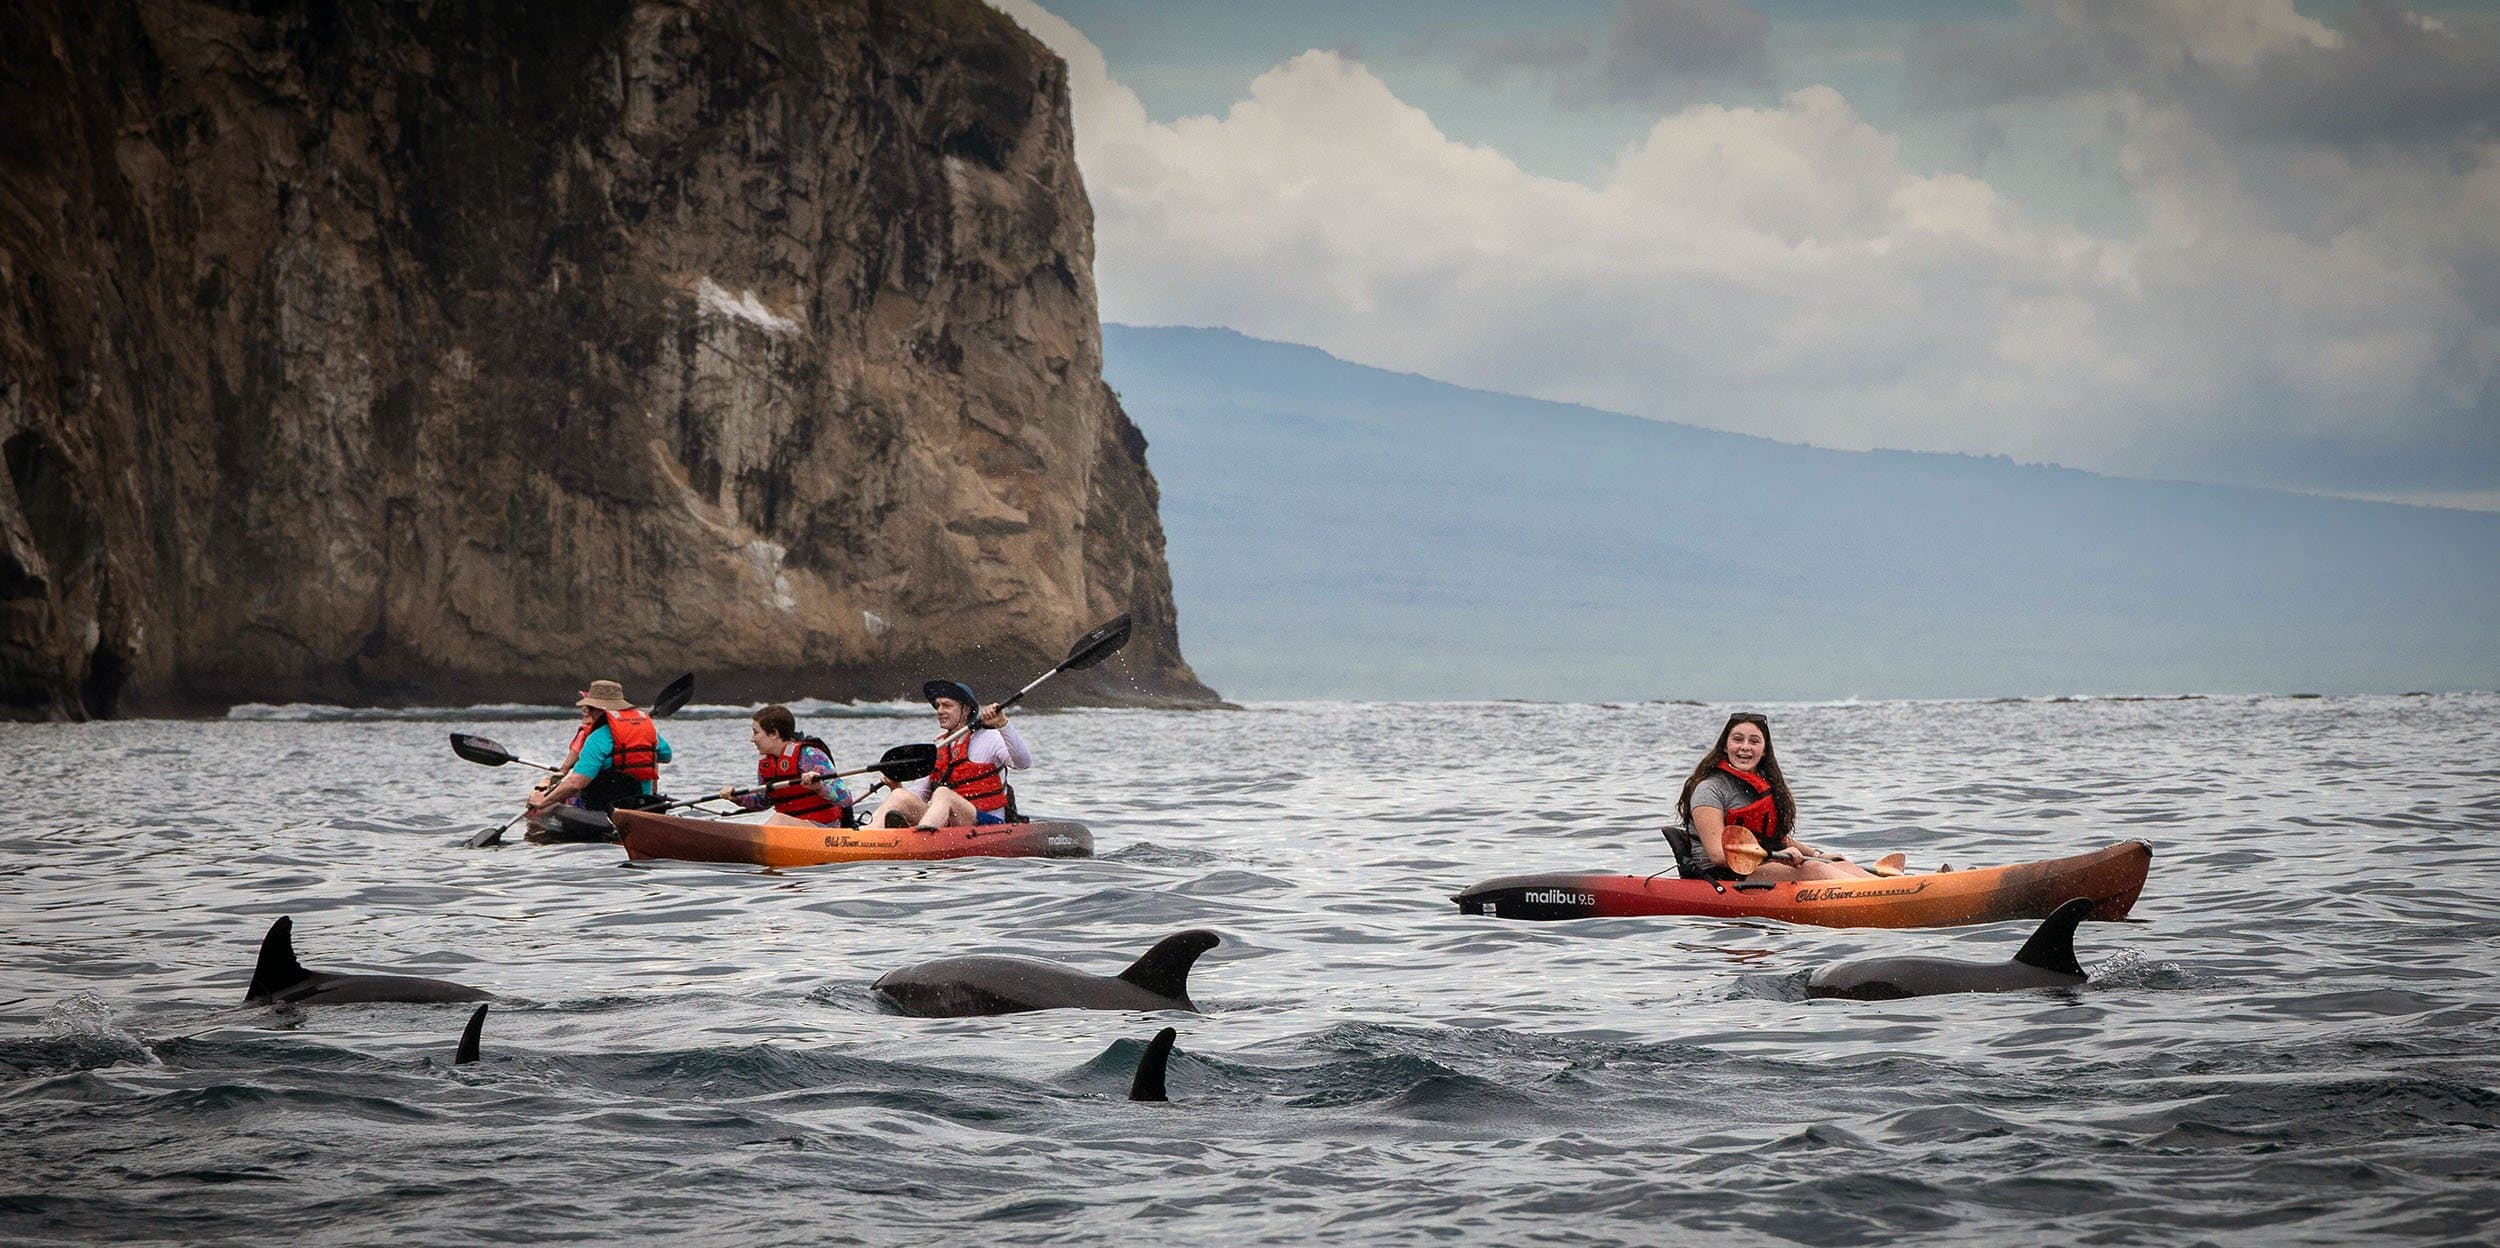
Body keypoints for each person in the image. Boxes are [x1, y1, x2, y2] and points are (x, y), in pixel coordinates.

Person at [1672, 712, 1880, 882]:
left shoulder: (1763, 787)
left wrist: (1818, 854)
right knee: (1814, 870)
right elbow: (1718, 855)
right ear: (1725, 747)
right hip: (1721, 876)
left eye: (1754, 741)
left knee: (1834, 864)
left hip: (1763, 864)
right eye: (1738, 739)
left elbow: (1776, 838)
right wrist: (1779, 857)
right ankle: (1881, 896)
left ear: (1763, 751)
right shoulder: (1709, 789)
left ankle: (1890, 888)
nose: (1745, 747)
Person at [866, 679, 1032, 829]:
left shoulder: (990, 738)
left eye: (947, 705)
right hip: (946, 825)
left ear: (966, 709)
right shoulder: (938, 747)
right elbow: (918, 795)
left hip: (987, 823)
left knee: (943, 793)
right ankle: (863, 838)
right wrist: (897, 787)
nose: (939, 710)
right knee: (899, 797)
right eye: (938, 705)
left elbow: (1023, 762)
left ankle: (920, 838)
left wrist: (1002, 724)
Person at [525, 679, 675, 817]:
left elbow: (576, 783)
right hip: (643, 806)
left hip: (603, 810)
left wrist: (543, 801)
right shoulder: (649, 731)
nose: (586, 711)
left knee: (562, 796)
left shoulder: (596, 739)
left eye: (588, 707)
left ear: (595, 709)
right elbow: (666, 756)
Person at [719, 704, 853, 827]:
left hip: (825, 830)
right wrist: (736, 797)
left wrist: (819, 786)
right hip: (789, 832)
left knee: (779, 820)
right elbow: (763, 801)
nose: (752, 739)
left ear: (774, 734)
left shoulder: (810, 755)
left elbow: (846, 798)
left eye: (756, 732)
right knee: (779, 820)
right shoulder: (766, 763)